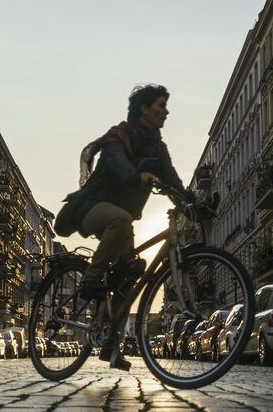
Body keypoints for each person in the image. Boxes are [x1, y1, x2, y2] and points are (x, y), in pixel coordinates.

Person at [71, 84, 185, 370]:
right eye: (161, 105)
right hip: (91, 208)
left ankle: (111, 346)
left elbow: (172, 180)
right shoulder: (117, 138)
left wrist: (192, 201)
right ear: (144, 108)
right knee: (121, 219)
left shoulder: (157, 148)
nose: (166, 111)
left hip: (122, 221)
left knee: (125, 282)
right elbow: (121, 166)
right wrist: (138, 176)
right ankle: (91, 278)